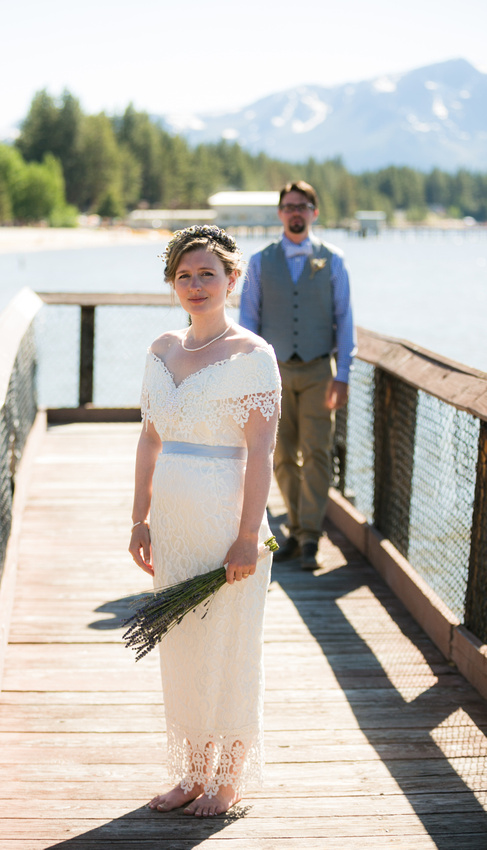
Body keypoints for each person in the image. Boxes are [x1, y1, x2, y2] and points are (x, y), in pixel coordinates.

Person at [128, 225, 281, 817]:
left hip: (226, 520)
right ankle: (192, 773)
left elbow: (262, 451)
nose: (195, 285)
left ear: (231, 280)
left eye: (206, 275)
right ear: (173, 283)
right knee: (185, 645)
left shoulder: (252, 355)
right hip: (172, 520)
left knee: (230, 643)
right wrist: (139, 518)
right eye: (184, 276)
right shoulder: (162, 349)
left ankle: (229, 779)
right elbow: (148, 438)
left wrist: (247, 536)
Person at [239, 181, 355, 570]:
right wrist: (247, 373)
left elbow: (345, 320)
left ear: (314, 213)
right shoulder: (259, 262)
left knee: (318, 453)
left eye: (303, 206)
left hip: (321, 369)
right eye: (289, 206)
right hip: (273, 374)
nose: (296, 213)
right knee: (282, 454)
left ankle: (310, 536)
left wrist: (344, 374)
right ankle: (294, 532)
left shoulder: (333, 260)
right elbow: (248, 321)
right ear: (280, 214)